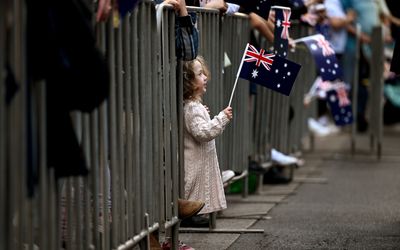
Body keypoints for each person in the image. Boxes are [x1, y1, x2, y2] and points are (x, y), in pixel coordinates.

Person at [180, 56, 233, 227]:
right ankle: (190, 216)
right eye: (200, 74)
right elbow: (203, 132)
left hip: (199, 159)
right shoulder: (192, 107)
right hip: (193, 160)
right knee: (194, 187)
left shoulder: (193, 106)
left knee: (199, 187)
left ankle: (195, 214)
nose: (205, 77)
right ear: (189, 82)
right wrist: (222, 118)